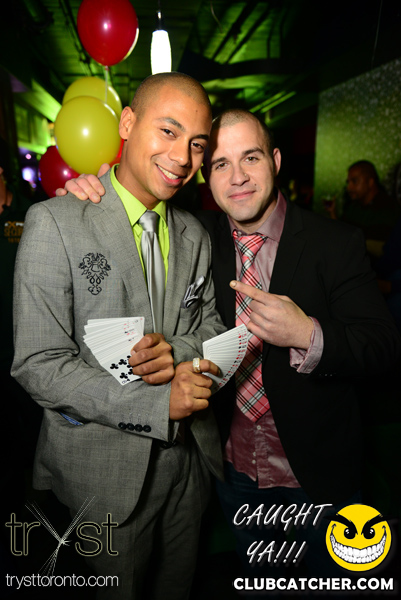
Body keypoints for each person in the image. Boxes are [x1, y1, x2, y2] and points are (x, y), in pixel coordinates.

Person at [59, 110, 400, 580]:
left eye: (251, 158)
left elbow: (383, 345)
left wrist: (306, 333)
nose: (237, 177)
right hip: (233, 470)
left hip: (317, 474)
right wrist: (92, 193)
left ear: (275, 161)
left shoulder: (334, 242)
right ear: (206, 175)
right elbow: (132, 207)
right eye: (220, 163)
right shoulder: (194, 236)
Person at [11, 73, 226, 600]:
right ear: (128, 123)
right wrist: (157, 404)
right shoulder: (55, 223)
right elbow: (38, 363)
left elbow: (211, 326)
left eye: (198, 144)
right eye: (168, 131)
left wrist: (175, 352)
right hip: (104, 478)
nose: (183, 157)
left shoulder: (196, 234)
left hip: (189, 469)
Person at [326, 159, 399, 244]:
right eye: (348, 182)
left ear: (370, 182)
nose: (349, 187)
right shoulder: (354, 206)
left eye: (354, 181)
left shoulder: (387, 209)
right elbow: (343, 233)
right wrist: (332, 213)